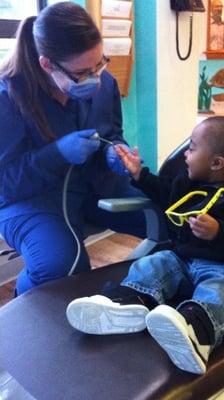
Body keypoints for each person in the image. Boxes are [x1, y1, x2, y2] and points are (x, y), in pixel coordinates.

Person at [66, 116, 224, 375]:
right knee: (154, 263)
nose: (186, 153)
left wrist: (220, 232)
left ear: (217, 163)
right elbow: (167, 196)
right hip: (184, 259)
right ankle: (127, 303)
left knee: (220, 291)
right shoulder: (191, 183)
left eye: (192, 148)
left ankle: (196, 331)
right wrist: (140, 174)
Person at [0, 2, 146, 295]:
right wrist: (57, 154)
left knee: (173, 219)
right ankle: (20, 317)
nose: (95, 78)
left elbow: (113, 134)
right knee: (62, 269)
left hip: (95, 186)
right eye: (82, 73)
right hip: (31, 200)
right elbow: (5, 182)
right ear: (47, 64)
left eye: (100, 63)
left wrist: (115, 154)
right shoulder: (8, 98)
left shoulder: (105, 84)